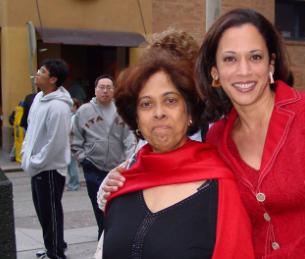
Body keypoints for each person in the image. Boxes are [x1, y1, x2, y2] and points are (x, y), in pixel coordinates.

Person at [100, 9, 305, 258]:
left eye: (255, 57)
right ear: (215, 72)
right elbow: (177, 169)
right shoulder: (217, 139)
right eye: (230, 59)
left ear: (271, 64)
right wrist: (124, 177)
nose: (244, 71)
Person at [101, 28, 254, 259]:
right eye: (146, 104)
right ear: (136, 119)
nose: (159, 113)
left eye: (170, 100)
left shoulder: (220, 187)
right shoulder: (122, 186)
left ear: (190, 110)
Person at [71, 75, 136, 239]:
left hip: (118, 169)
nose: (105, 91)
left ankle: (113, 240)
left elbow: (129, 137)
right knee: (99, 208)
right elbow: (74, 137)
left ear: (114, 90)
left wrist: (129, 161)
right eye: (101, 87)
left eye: (109, 87)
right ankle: (103, 239)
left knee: (116, 209)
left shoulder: (121, 110)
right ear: (95, 90)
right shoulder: (84, 111)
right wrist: (82, 158)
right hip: (93, 167)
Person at [21, 59, 72, 259]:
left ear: (53, 79)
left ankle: (56, 253)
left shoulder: (58, 107)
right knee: (44, 214)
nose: (37, 73)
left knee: (50, 214)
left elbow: (55, 143)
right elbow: (31, 132)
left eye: (42, 71)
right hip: (37, 168)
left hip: (50, 170)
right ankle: (52, 246)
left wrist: (36, 162)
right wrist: (27, 156)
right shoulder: (38, 99)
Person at [67, 98, 82, 191]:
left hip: (72, 143)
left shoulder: (75, 117)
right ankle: (72, 183)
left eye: (71, 106)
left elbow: (72, 130)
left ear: (75, 106)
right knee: (70, 164)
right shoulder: (72, 116)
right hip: (70, 143)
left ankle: (74, 184)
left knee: (72, 165)